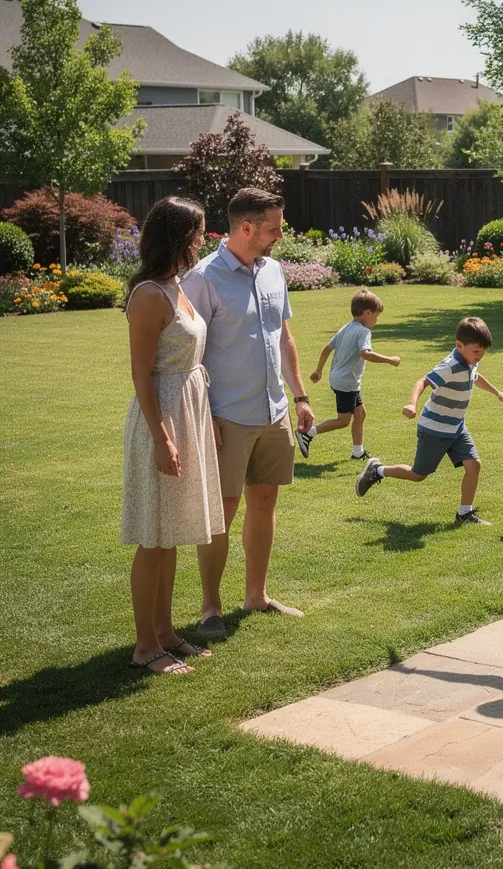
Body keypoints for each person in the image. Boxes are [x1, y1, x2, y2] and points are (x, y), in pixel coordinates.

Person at [182, 187, 315, 638]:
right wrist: (204, 414)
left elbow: (283, 336)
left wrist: (299, 397)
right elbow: (188, 355)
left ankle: (256, 595)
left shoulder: (274, 270)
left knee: (265, 499)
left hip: (274, 410)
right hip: (226, 417)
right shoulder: (202, 279)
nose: (280, 234)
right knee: (223, 509)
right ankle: (210, 609)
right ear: (246, 228)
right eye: (274, 228)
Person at [122, 195, 225, 675]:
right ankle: (145, 647)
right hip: (161, 415)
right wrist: (163, 437)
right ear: (179, 237)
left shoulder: (177, 285)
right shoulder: (148, 294)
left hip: (189, 409)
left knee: (173, 533)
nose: (205, 239)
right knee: (154, 536)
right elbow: (141, 373)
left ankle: (165, 633)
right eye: (200, 232)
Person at [355, 316, 503, 525]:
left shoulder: (470, 361)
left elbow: (475, 376)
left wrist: (496, 392)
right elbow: (422, 381)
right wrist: (412, 404)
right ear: (459, 345)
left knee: (474, 465)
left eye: (483, 352)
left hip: (456, 427)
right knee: (418, 474)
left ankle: (465, 513)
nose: (479, 356)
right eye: (476, 352)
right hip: (434, 429)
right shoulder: (450, 365)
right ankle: (378, 470)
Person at [297, 289, 401, 460]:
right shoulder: (363, 332)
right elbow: (365, 353)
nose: (376, 321)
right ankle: (308, 433)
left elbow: (326, 349)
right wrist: (390, 359)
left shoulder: (346, 328)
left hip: (340, 379)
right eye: (376, 316)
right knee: (344, 420)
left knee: (360, 414)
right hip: (346, 382)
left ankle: (358, 452)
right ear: (367, 313)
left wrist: (319, 370)